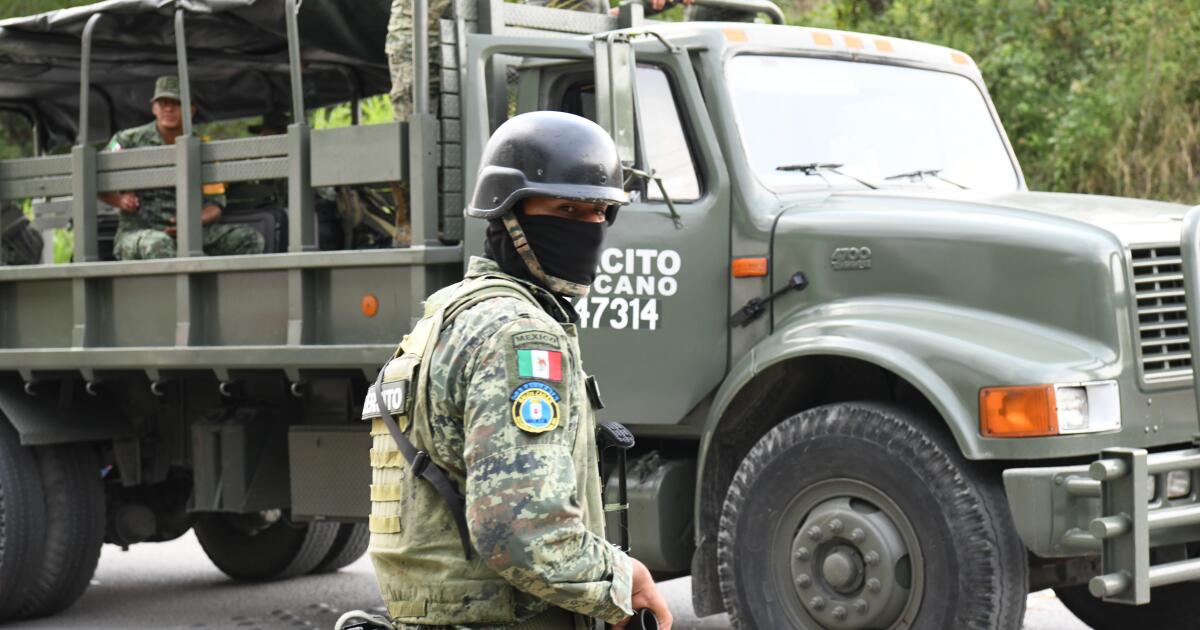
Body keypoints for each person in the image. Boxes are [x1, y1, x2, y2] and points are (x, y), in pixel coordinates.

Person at [354, 111, 672, 630]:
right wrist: (619, 581)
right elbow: (522, 530)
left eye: (599, 212)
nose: (589, 227)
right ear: (509, 214)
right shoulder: (519, 336)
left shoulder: (450, 313)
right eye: (567, 208)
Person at [98, 76, 264, 260]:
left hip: (189, 233)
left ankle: (224, 288)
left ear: (191, 110)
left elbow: (214, 205)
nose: (169, 108)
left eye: (177, 103)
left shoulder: (203, 147)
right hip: (140, 232)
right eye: (163, 103)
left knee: (249, 238)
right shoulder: (127, 140)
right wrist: (119, 200)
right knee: (159, 244)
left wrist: (191, 222)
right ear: (154, 108)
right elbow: (93, 177)